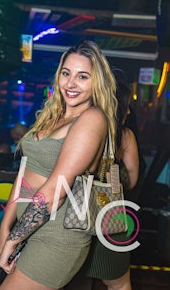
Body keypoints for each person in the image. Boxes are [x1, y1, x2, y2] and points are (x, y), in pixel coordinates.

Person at [0, 40, 118, 290]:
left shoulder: (92, 118)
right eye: (66, 73)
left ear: (97, 82)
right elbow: (24, 174)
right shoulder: (53, 116)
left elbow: (56, 192)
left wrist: (14, 238)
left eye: (82, 76)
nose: (71, 84)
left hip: (56, 239)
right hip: (28, 231)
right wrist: (5, 228)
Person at [80, 82, 139, 290]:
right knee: (120, 284)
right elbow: (132, 180)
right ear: (119, 106)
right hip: (111, 220)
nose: (130, 110)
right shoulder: (125, 136)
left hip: (78, 216)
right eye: (127, 104)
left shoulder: (81, 128)